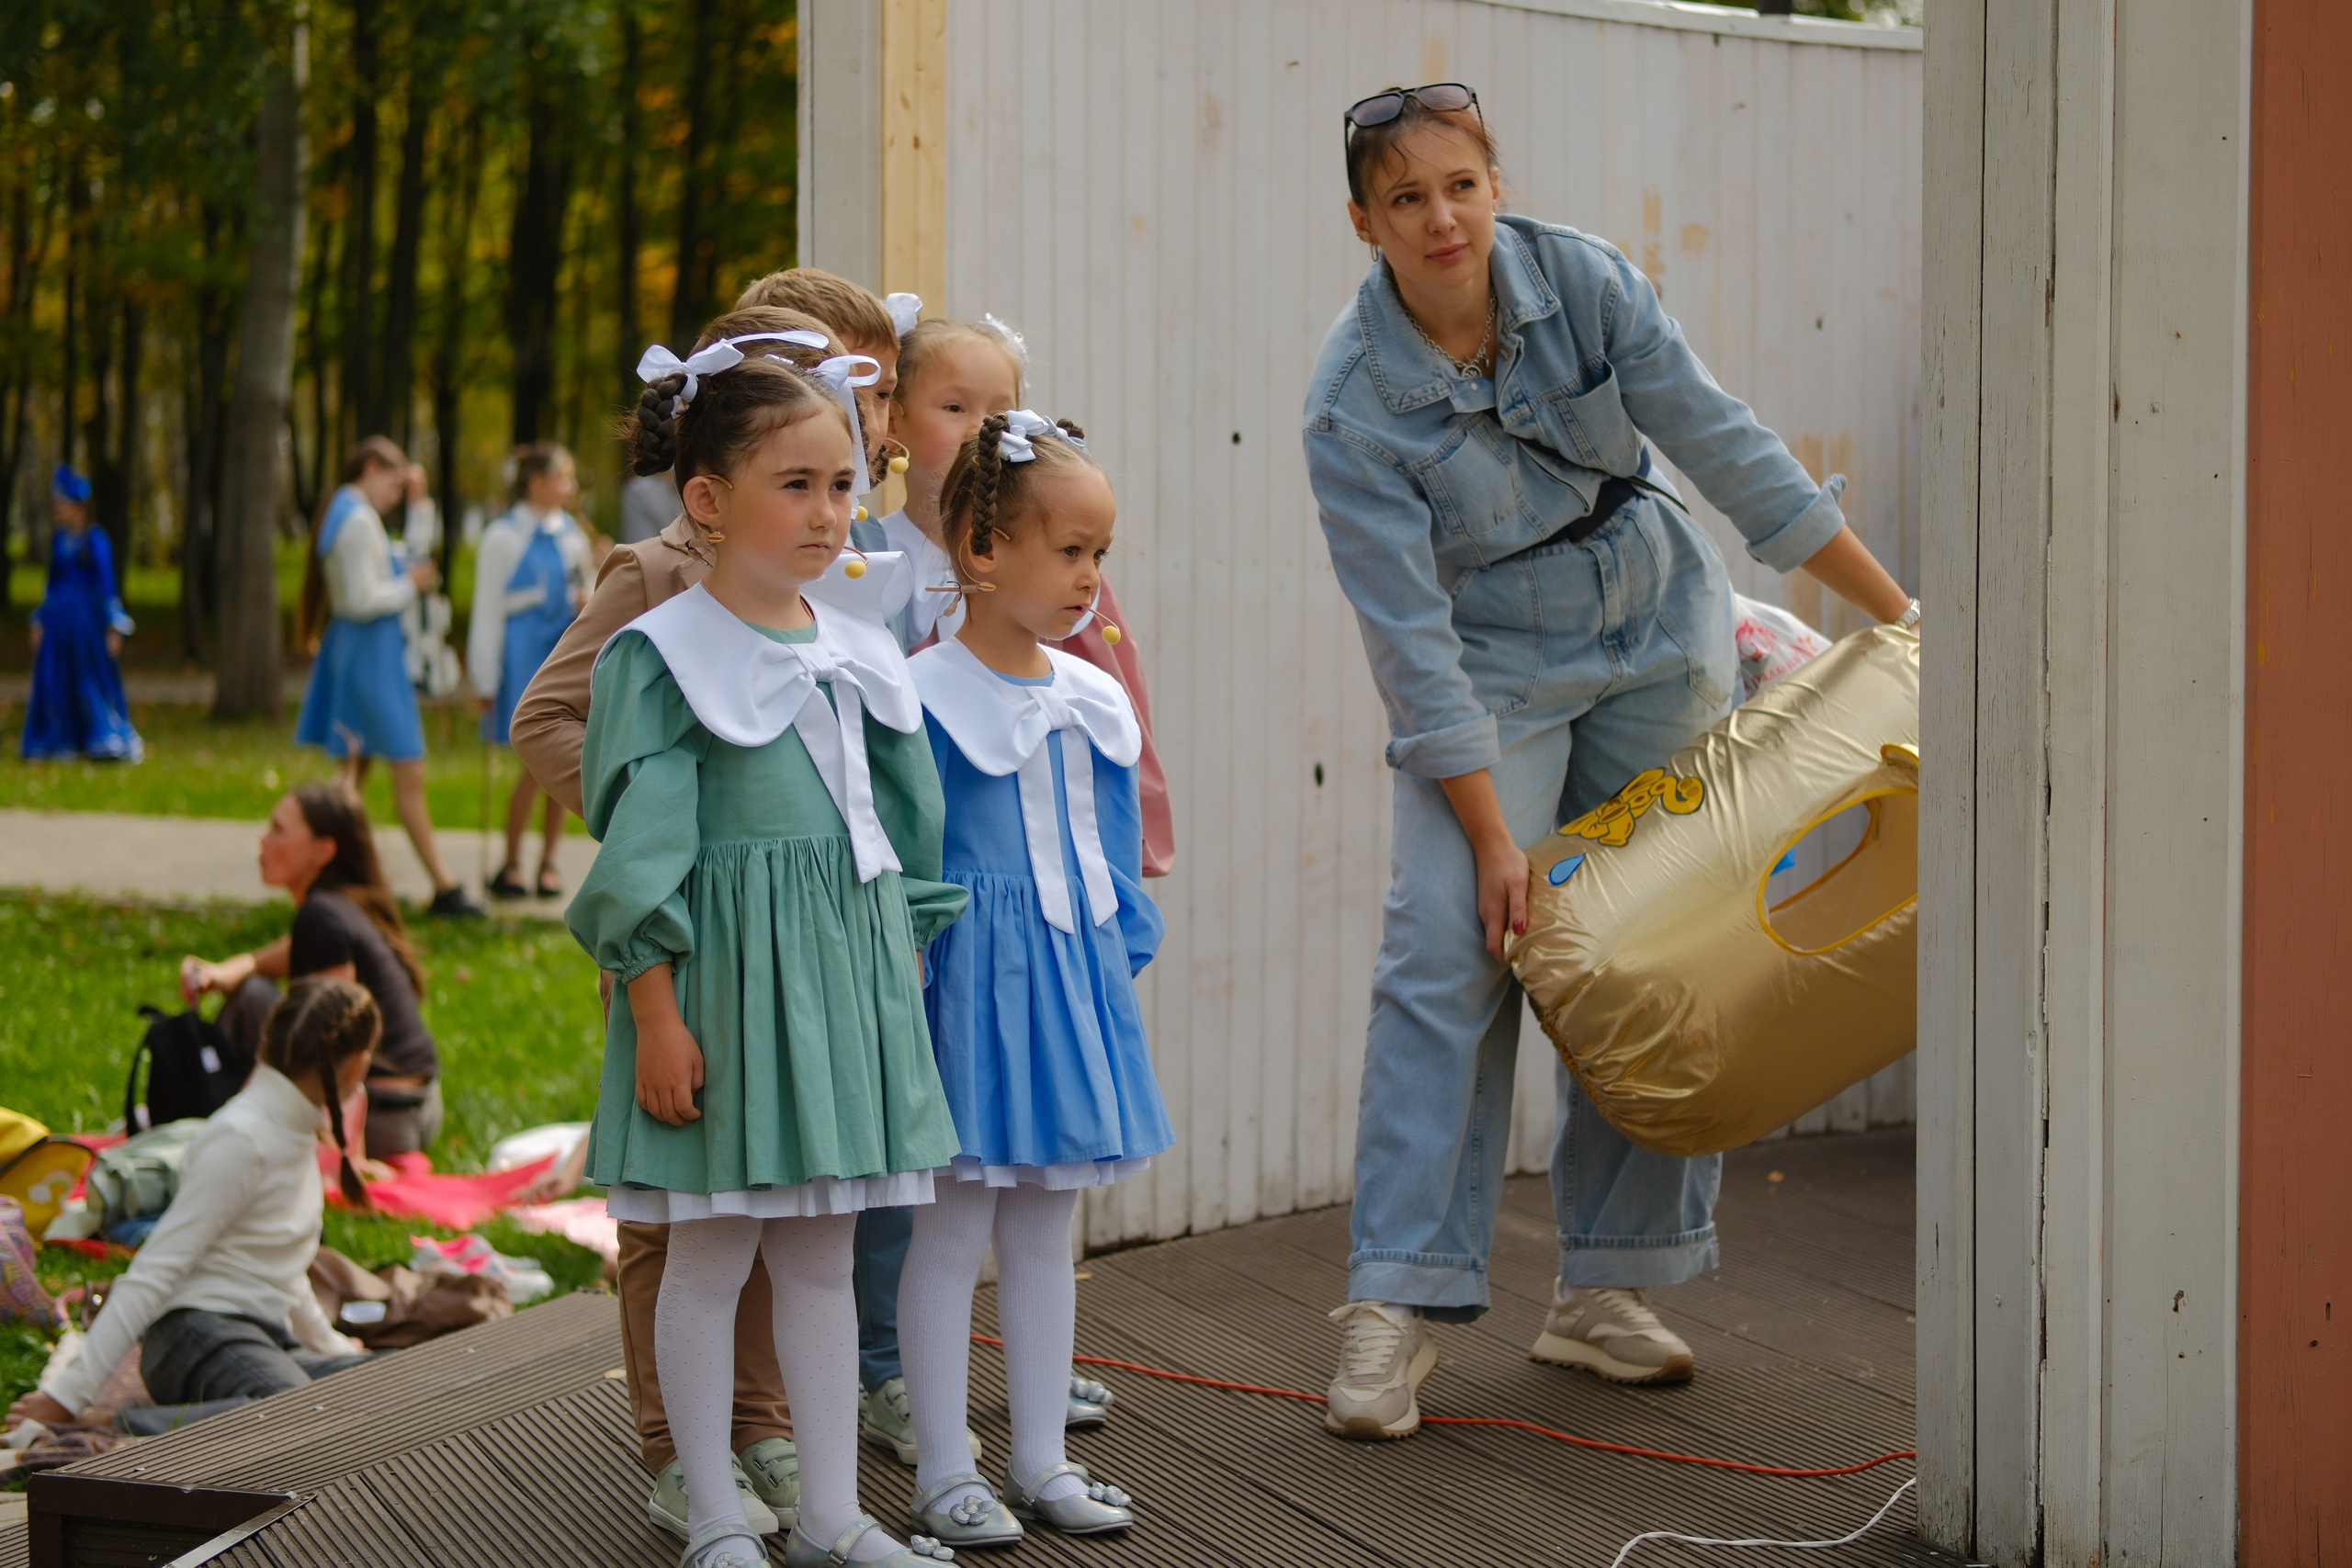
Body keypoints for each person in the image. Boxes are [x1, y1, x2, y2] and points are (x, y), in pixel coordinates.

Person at [1304, 85, 1917, 1438]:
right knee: (1451, 952)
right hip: (1489, 672)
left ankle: (1609, 1285)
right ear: (1366, 223)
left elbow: (1729, 450)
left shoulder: (1581, 280)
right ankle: (1397, 1300)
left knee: (1669, 941)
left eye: (1459, 184)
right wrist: (1493, 839)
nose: (1441, 217)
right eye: (1406, 199)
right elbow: (1409, 643)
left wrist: (1898, 615)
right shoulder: (1351, 411)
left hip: (1656, 628)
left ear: (1494, 182)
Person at [571, 326, 965, 1568]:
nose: (824, 509)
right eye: (793, 483)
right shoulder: (667, 656)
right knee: (708, 1250)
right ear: (708, 497)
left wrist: (893, 975)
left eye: (842, 482)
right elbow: (644, 860)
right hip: (728, 991)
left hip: (837, 989)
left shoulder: (859, 653)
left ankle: (839, 1513)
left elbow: (899, 834)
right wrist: (655, 1012)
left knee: (824, 1253)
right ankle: (712, 1511)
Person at [512, 307, 861, 1541]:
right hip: (686, 939)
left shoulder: (834, 591)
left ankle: (764, 1425)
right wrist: (663, 832)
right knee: (678, 1214)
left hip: (798, 952)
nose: (831, 485)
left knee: (781, 1198)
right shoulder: (655, 579)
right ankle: (680, 1445)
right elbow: (549, 718)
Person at [895, 412, 1168, 1547]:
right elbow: (908, 860)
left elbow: (1110, 856)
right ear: (980, 548)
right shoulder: (918, 695)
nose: (1089, 578)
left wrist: (1108, 965)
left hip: (1065, 986)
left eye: (1099, 554)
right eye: (1069, 551)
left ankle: (1042, 1457)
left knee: (1048, 1234)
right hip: (966, 991)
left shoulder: (1093, 695)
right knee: (953, 1233)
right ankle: (945, 1472)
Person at [6, 976, 382, 1435]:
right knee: (297, 1417)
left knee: (392, 1380)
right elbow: (155, 1268)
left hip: (260, 1338)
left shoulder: (292, 1129)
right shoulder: (243, 1137)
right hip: (193, 1333)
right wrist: (66, 1396)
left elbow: (281, 1265)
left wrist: (336, 1350)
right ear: (355, 1066)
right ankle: (116, 1425)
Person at [182, 783, 444, 1161]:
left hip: (384, 1121)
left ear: (323, 851)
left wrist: (345, 1156)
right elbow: (272, 958)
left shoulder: (321, 917)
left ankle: (212, 1113)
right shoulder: (344, 907)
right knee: (255, 990)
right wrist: (226, 970)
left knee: (256, 1000)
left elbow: (339, 1045)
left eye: (278, 830)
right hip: (422, 1109)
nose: (263, 841)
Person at [292, 435, 483, 919]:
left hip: (365, 654)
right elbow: (359, 600)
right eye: (395, 486)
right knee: (406, 766)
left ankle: (325, 879)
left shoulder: (353, 514)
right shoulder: (356, 520)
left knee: (351, 775)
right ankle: (444, 885)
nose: (395, 497)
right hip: (368, 656)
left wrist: (420, 508)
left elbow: (406, 551)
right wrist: (408, 587)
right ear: (373, 468)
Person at [466, 443, 593, 899]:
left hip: (560, 652)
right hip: (520, 656)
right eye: (563, 477)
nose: (571, 487)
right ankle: (514, 860)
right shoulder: (503, 537)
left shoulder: (571, 537)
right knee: (531, 762)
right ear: (537, 482)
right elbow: (487, 610)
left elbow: (587, 591)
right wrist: (483, 676)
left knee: (563, 758)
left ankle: (548, 862)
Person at [20, 463, 141, 762]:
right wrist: (40, 622)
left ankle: (103, 736)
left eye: (63, 503)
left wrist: (114, 627)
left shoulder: (96, 541)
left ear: (79, 508)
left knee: (89, 679)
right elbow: (51, 584)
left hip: (85, 626)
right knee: (54, 679)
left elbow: (107, 586)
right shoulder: (59, 541)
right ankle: (59, 738)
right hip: (58, 624)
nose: (58, 510)